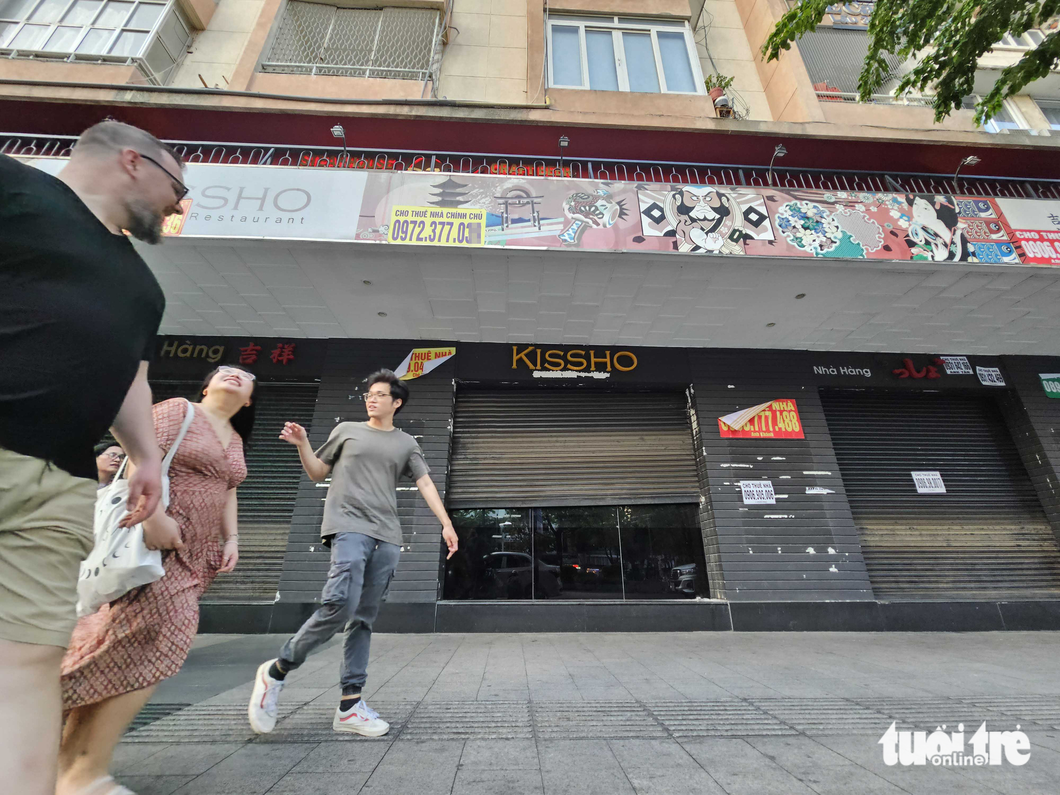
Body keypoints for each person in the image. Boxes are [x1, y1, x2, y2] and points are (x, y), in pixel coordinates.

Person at [0, 120, 185, 795]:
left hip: (59, 487)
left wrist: (148, 458)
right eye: (178, 184)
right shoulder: (15, 187)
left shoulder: (145, 288)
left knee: (28, 661)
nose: (179, 203)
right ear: (133, 161)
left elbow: (128, 376)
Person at [57, 365, 255, 795]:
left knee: (122, 641)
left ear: (251, 399)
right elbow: (138, 459)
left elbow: (228, 489)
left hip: (195, 556)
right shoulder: (178, 411)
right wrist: (156, 518)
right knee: (164, 635)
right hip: (155, 542)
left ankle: (61, 751)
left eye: (245, 376)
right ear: (206, 386)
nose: (235, 375)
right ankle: (83, 772)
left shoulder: (236, 440)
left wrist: (233, 537)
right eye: (225, 371)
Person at [248, 369, 458, 737]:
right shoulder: (345, 430)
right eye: (369, 394)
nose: (371, 399)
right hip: (348, 526)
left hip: (388, 535)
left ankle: (349, 705)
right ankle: (277, 670)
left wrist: (446, 524)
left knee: (362, 618)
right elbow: (317, 473)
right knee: (340, 603)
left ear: (397, 402)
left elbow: (425, 483)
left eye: (379, 394)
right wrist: (302, 443)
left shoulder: (407, 443)